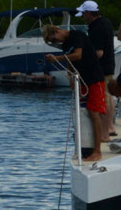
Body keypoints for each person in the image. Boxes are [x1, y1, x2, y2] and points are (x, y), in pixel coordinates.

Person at [42, 23, 107, 161]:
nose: (56, 43)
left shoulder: (77, 35)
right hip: (82, 81)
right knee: (83, 112)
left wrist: (56, 59)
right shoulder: (65, 45)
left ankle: (97, 151)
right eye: (52, 43)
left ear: (56, 30)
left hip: (94, 79)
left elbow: (77, 55)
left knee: (94, 113)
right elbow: (70, 63)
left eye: (54, 40)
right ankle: (85, 147)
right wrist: (71, 78)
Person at [76, 0, 116, 139]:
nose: (82, 18)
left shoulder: (97, 27)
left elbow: (98, 53)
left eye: (83, 14)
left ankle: (105, 133)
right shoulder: (105, 22)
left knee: (104, 97)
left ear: (88, 13)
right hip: (109, 65)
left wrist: (82, 62)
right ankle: (110, 126)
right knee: (109, 96)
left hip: (102, 68)